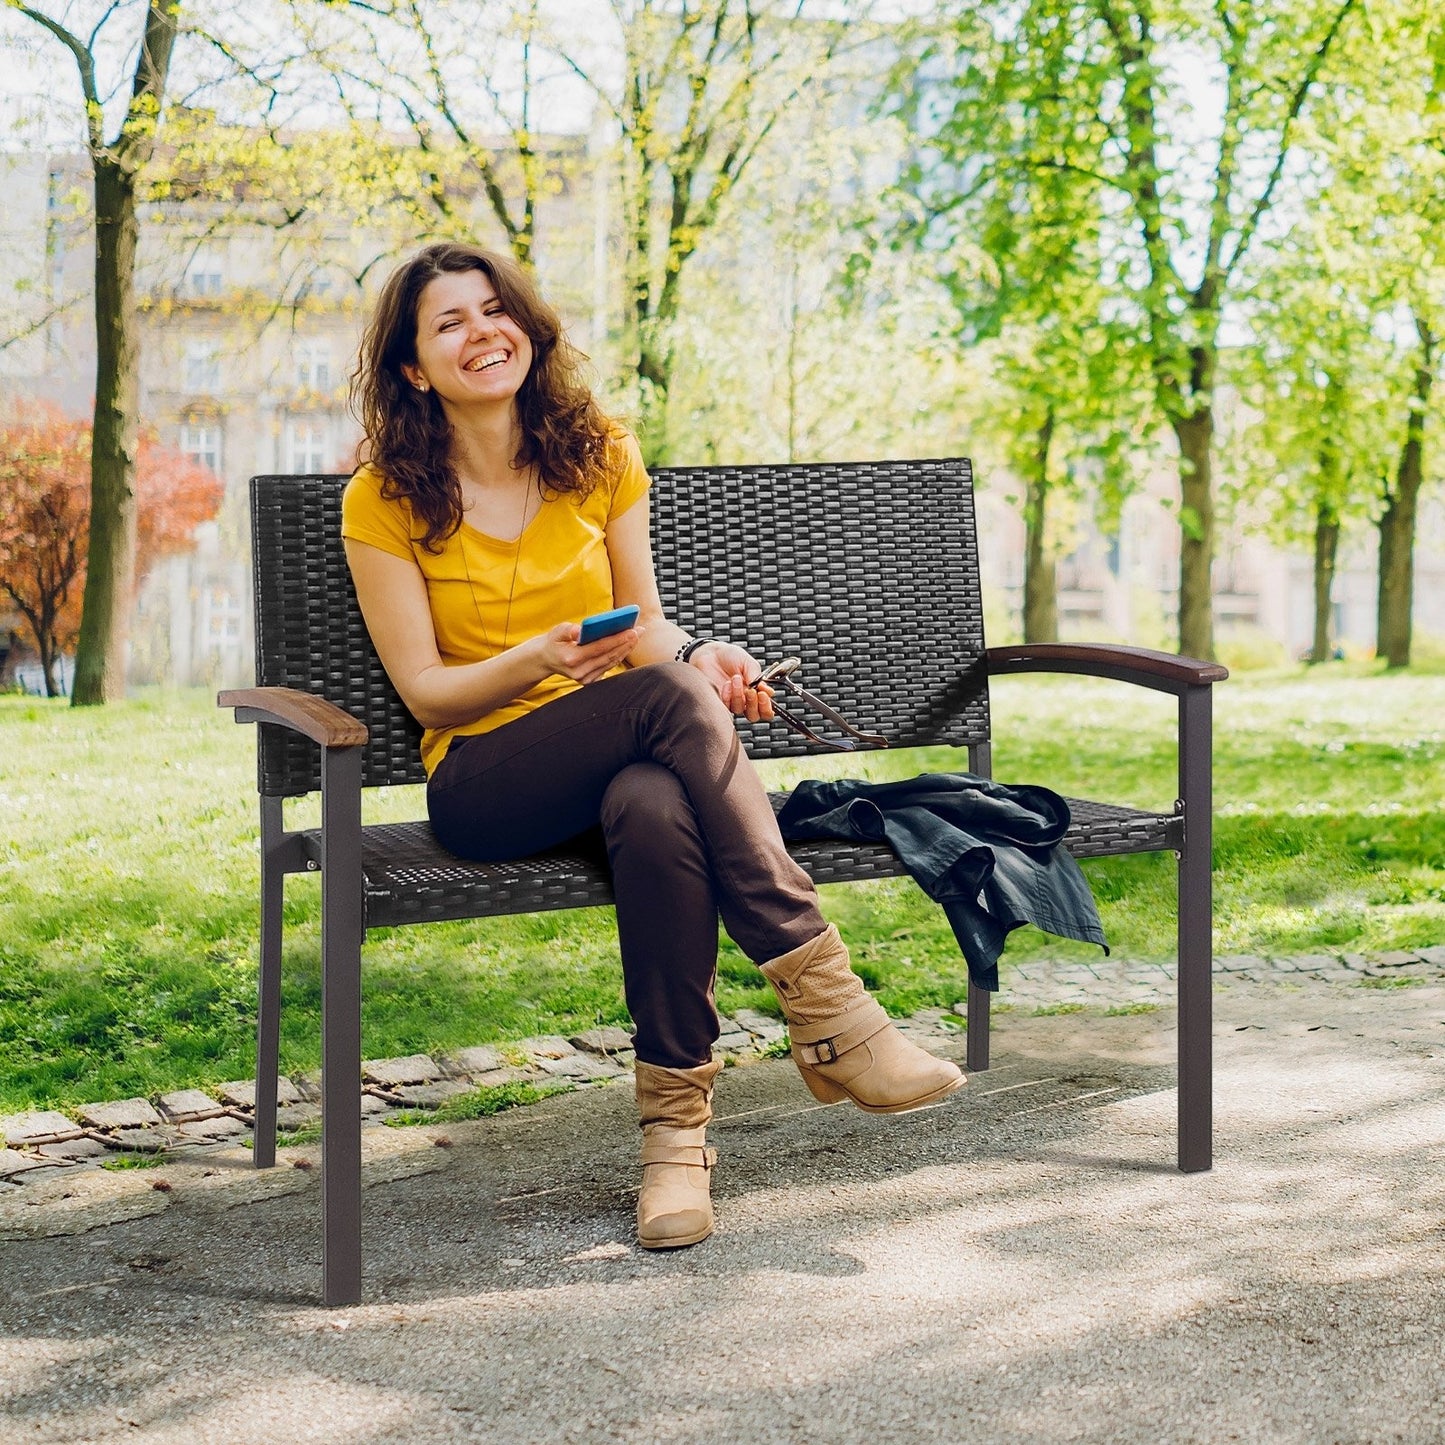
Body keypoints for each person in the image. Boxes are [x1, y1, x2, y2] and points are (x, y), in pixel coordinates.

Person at [342, 241, 964, 1251]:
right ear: (413, 366)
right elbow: (426, 689)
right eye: (447, 322)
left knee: (653, 802)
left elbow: (646, 630)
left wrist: (701, 653)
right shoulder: (384, 497)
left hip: (616, 756)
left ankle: (675, 1144)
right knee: (663, 715)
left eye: (493, 309)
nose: (479, 331)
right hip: (483, 776)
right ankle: (836, 1015)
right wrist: (534, 656)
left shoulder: (596, 453)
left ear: (526, 330)